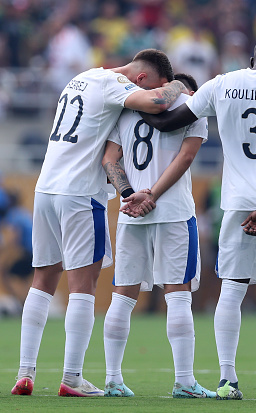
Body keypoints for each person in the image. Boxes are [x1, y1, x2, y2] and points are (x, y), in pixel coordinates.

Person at [141, 36, 256, 402]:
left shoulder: (221, 83)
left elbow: (169, 122)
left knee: (231, 288)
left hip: (236, 199)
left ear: (252, 59)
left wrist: (134, 106)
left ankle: (227, 381)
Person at [12, 49, 188, 397]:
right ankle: (72, 377)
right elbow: (157, 103)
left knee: (43, 280)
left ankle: (25, 373)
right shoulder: (113, 83)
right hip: (79, 194)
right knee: (83, 285)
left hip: (45, 189)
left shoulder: (81, 78)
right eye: (153, 84)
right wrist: (179, 86)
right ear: (141, 78)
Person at [101, 73, 214, 398]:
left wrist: (130, 195)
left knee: (122, 296)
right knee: (178, 295)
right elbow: (186, 157)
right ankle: (185, 382)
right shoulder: (193, 106)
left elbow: (109, 159)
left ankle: (112, 380)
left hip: (131, 212)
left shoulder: (127, 109)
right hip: (174, 212)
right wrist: (152, 195)